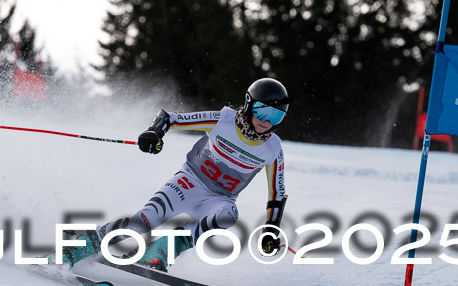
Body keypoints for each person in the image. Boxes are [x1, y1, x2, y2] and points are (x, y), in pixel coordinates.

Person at [54, 77, 290, 271]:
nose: (266, 122)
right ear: (249, 104)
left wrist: (271, 230)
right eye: (262, 111)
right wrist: (154, 132)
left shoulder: (273, 149)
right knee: (143, 222)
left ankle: (161, 250)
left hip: (220, 199)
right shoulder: (223, 120)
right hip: (189, 182)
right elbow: (170, 117)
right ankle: (77, 248)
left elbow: (277, 194)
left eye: (276, 116)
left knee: (228, 216)